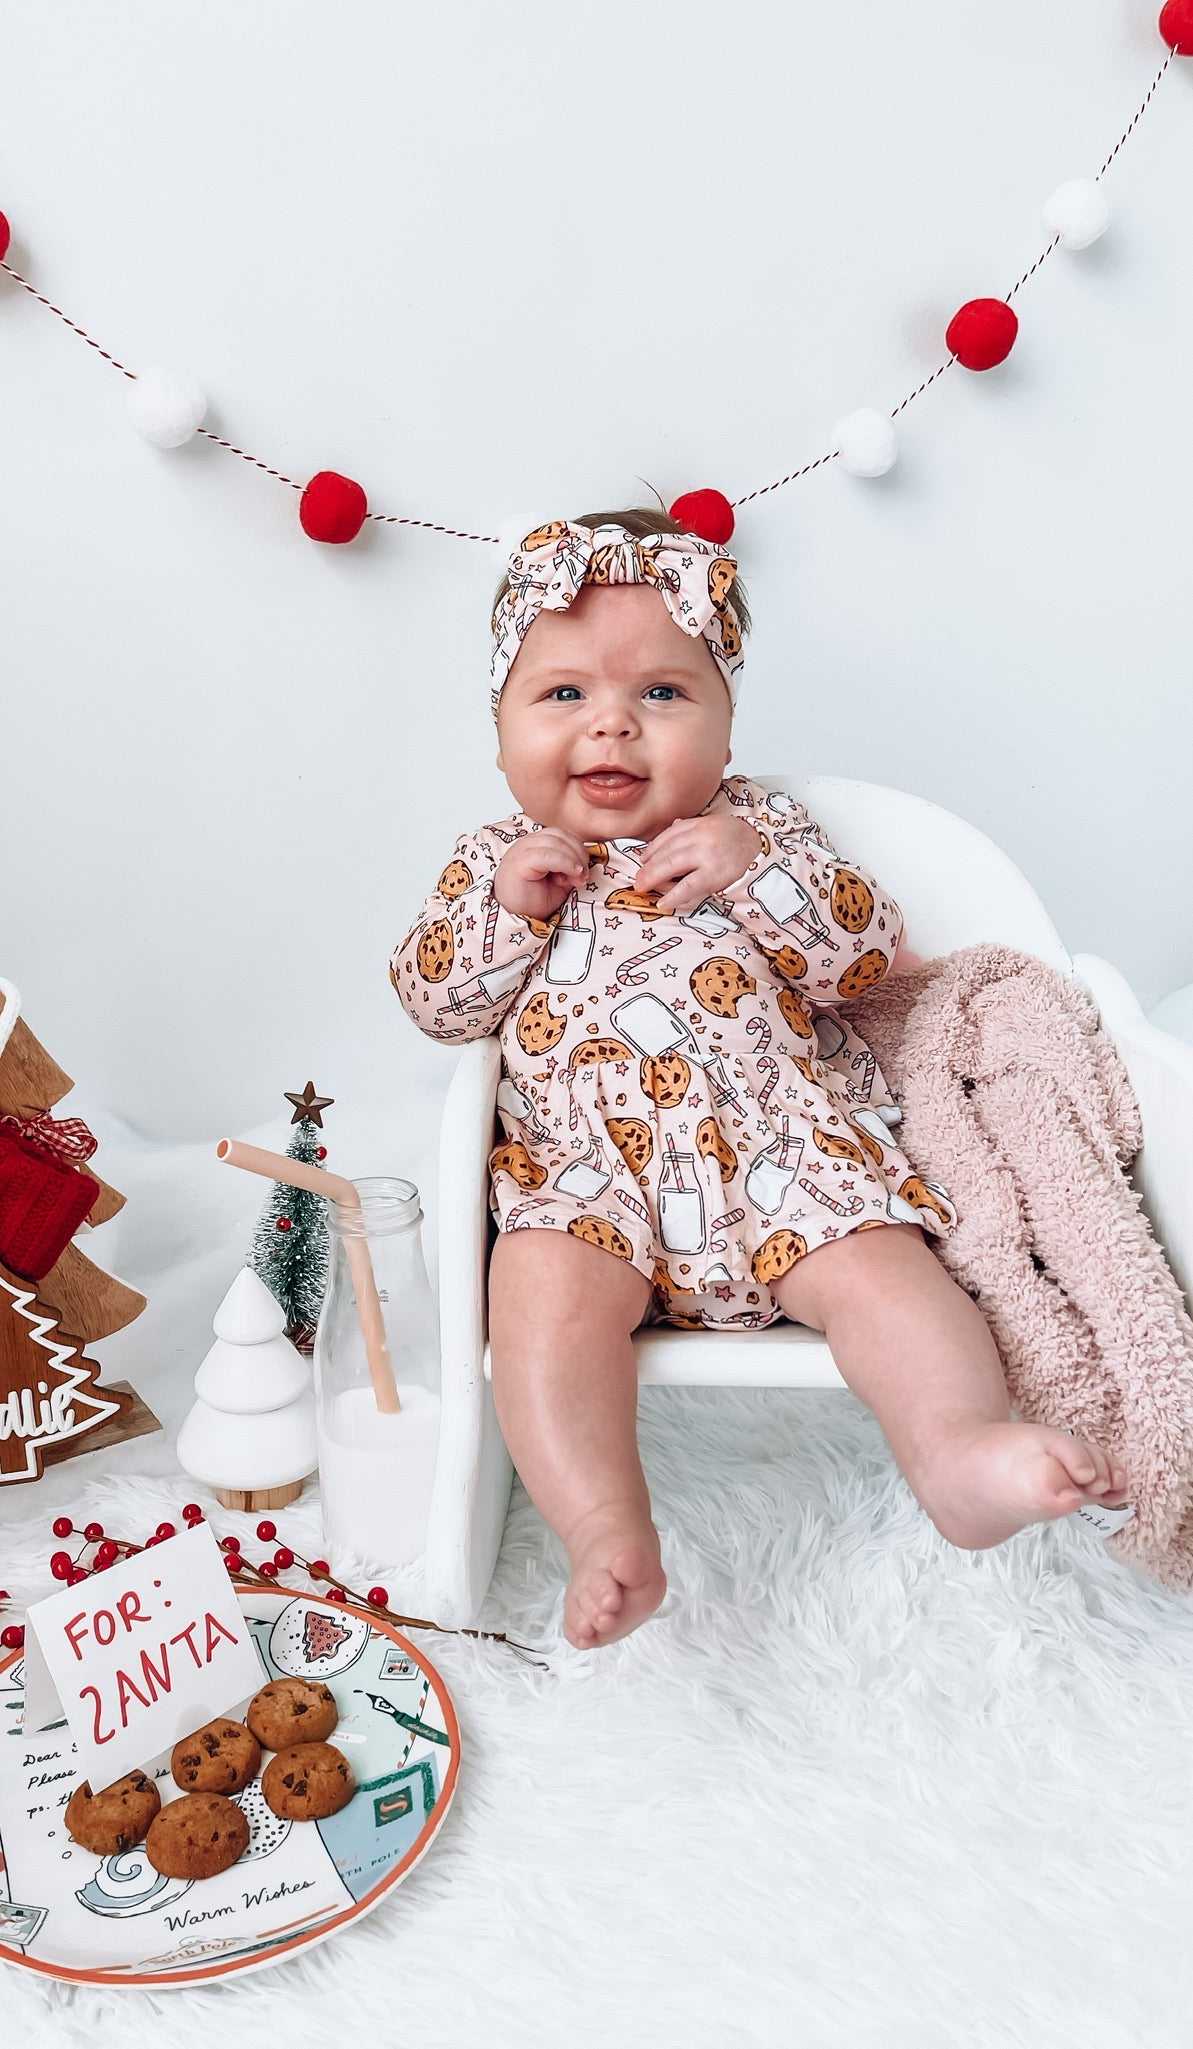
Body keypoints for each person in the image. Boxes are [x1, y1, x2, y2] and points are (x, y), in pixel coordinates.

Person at [390, 509, 1129, 1649]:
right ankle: (600, 1524)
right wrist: (499, 914)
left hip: (781, 1156)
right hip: (585, 1179)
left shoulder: (766, 831)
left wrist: (759, 870)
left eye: (662, 696)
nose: (613, 728)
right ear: (499, 737)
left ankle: (958, 1450)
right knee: (534, 1296)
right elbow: (438, 1004)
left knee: (893, 1282)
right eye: (564, 696)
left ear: (725, 733)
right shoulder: (493, 865)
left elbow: (862, 954)